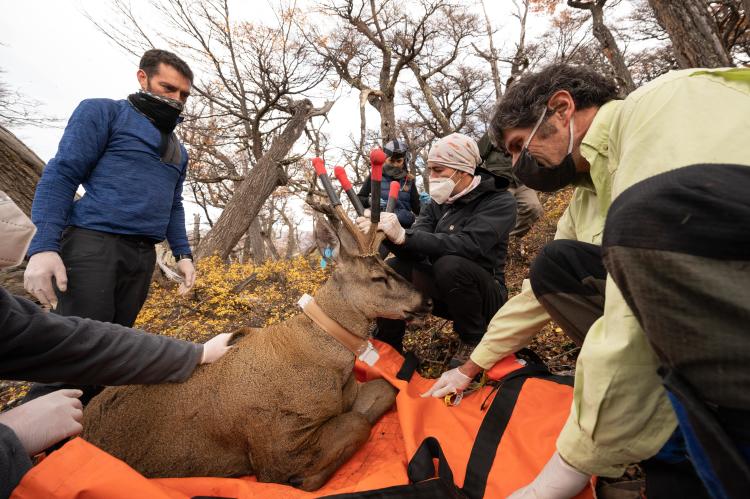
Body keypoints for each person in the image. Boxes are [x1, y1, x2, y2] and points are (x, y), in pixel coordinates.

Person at [455, 63, 748, 498]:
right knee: (556, 265)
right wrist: (471, 366)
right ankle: (670, 435)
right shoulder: (586, 199)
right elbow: (536, 294)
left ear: (560, 108)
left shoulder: (665, 105)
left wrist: (570, 463)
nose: (519, 166)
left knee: (637, 222)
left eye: (519, 146)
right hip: (710, 327)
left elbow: (646, 284)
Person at [0, 191, 233, 498]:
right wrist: (12, 438)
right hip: (95, 243)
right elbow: (62, 174)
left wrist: (196, 353)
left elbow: (80, 344)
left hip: (139, 250)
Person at [22, 49, 196, 403]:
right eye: (168, 88)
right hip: (93, 245)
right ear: (142, 78)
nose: (176, 99)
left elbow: (173, 203)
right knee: (76, 351)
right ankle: (33, 447)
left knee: (111, 351)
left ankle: (85, 432)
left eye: (183, 95)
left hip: (141, 256)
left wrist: (183, 253)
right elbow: (62, 173)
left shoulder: (179, 150)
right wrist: (43, 246)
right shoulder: (104, 112)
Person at [357, 133, 516, 365]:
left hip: (484, 298)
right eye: (430, 169)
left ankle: (474, 339)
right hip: (447, 294)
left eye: (438, 170)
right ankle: (388, 345)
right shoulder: (436, 205)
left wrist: (405, 235)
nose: (431, 176)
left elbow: (469, 245)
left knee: (449, 264)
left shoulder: (499, 202)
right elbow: (416, 249)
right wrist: (391, 236)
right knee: (393, 268)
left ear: (462, 171)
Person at [478, 132, 543, 239]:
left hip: (522, 180)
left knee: (534, 208)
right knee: (497, 213)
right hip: (499, 180)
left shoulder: (530, 130)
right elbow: (477, 155)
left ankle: (509, 238)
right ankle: (489, 240)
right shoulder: (493, 131)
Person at [357, 138, 421, 229]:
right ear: (385, 159)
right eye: (391, 161)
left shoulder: (408, 180)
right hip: (379, 226)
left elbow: (417, 209)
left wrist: (426, 204)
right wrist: (371, 201)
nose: (395, 164)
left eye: (399, 161)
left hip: (404, 228)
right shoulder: (375, 176)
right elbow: (359, 198)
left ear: (404, 161)